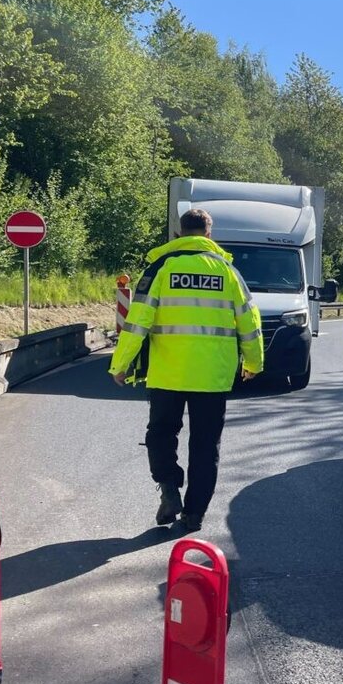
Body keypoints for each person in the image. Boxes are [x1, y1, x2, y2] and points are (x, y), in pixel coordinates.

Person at [109, 209, 263, 532]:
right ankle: (194, 514)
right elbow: (249, 322)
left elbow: (137, 321)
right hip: (212, 378)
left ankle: (168, 489)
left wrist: (120, 365)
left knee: (161, 434)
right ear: (209, 235)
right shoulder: (228, 273)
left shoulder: (162, 270)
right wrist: (253, 363)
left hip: (168, 375)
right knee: (206, 446)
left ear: (179, 235)